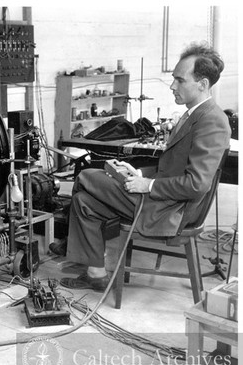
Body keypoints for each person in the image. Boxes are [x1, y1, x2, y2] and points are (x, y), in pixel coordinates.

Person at [50, 42, 231, 291]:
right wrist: (140, 173)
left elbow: (196, 185)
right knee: (84, 203)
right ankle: (96, 273)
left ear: (202, 84)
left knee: (87, 176)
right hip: (163, 199)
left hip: (170, 209)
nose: (172, 86)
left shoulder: (212, 120)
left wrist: (148, 185)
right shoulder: (194, 115)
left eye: (180, 80)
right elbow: (172, 167)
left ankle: (69, 241)